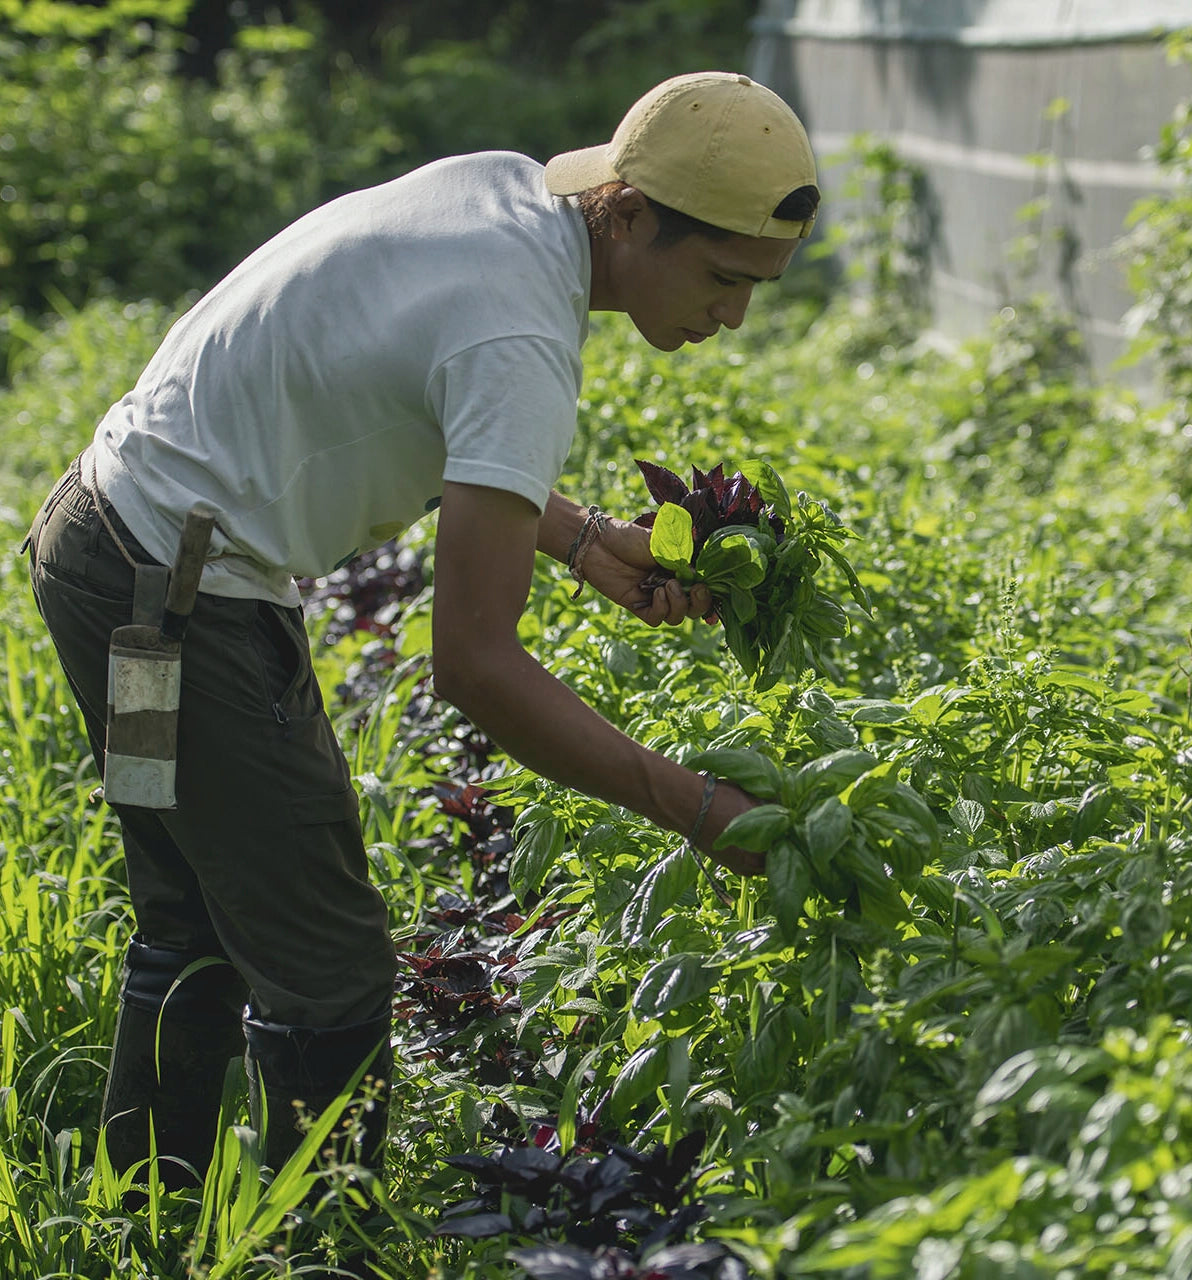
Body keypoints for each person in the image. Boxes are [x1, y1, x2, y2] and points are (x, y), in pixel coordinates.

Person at [24, 70, 821, 1193]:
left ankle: (148, 1212)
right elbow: (474, 668)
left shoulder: (505, 199)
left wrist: (585, 539)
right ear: (632, 213)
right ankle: (315, 1246)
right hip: (171, 605)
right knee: (331, 969)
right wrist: (695, 807)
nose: (731, 317)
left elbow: (419, 393)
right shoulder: (520, 332)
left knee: (191, 921)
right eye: (722, 278)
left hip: (113, 551)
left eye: (756, 289)